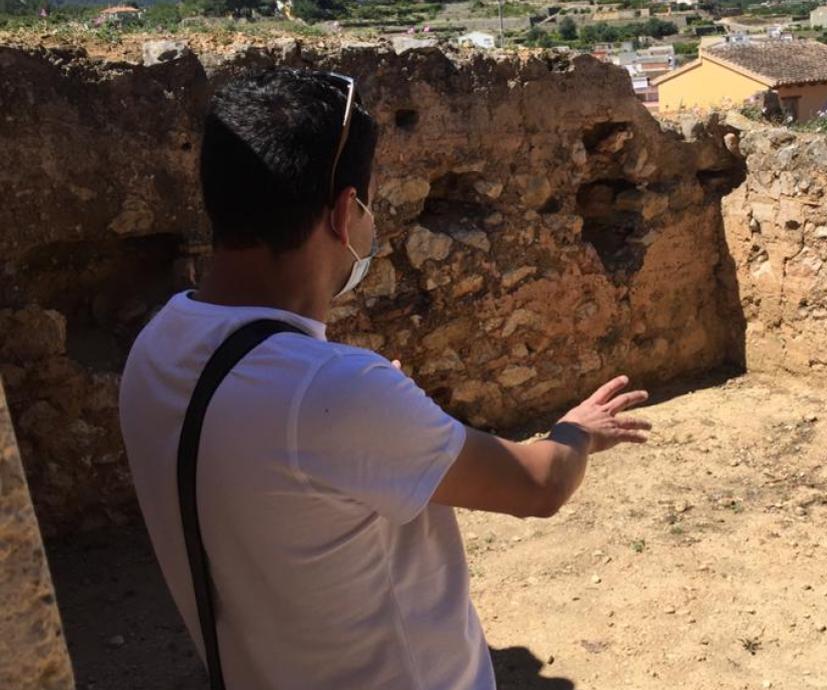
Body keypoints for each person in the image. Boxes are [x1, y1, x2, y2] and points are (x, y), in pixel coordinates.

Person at [119, 68, 650, 690]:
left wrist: (383, 414)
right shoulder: (334, 392)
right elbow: (537, 486)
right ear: (346, 212)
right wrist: (578, 430)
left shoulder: (157, 347)